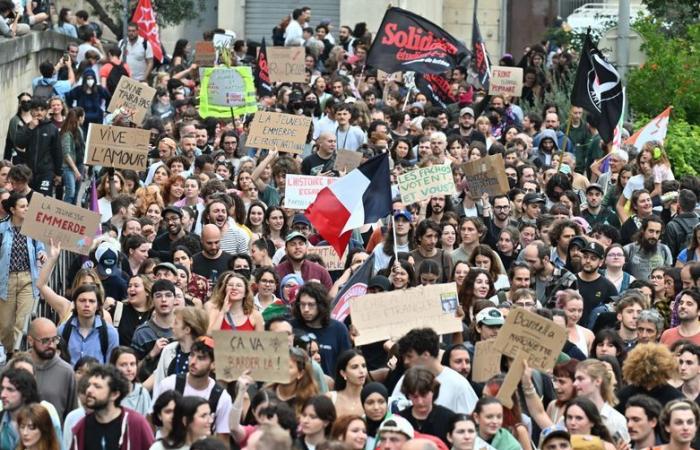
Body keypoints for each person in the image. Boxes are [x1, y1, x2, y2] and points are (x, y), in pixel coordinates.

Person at [152, 337, 233, 438]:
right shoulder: (169, 384)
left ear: (214, 364)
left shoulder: (222, 398)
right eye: (192, 355)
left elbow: (223, 439)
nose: (193, 361)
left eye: (201, 358)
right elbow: (151, 417)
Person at [391, 327, 478, 415]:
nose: (406, 361)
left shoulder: (459, 384)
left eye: (409, 356)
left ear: (426, 355)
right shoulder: (405, 379)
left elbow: (471, 420)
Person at [0, 192, 46, 352]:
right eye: (22, 206)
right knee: (5, 326)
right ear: (12, 210)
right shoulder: (1, 229)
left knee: (22, 323)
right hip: (6, 281)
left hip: (28, 278)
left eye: (28, 206)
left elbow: (40, 247)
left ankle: (18, 357)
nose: (27, 209)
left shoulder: (33, 228)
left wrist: (42, 254)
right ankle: (9, 351)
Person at [71, 364, 154, 450]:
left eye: (97, 386)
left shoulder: (135, 423)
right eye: (89, 385)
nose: (89, 390)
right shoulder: (81, 427)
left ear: (114, 394)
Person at [291, 282, 351, 375]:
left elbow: (347, 364)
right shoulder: (291, 327)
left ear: (321, 305)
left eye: (311, 305)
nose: (306, 309)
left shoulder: (339, 329)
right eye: (302, 304)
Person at [57, 284, 119, 366]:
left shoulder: (109, 333)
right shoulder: (63, 330)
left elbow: (111, 368)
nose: (87, 304)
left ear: (98, 306)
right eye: (82, 300)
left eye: (92, 301)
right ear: (75, 304)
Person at [28, 318, 77, 421]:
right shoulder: (17, 366)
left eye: (54, 339)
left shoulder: (66, 372)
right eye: (45, 340)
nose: (51, 345)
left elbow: (72, 415)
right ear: (31, 341)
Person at [398, 366, 457, 446]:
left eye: (424, 395)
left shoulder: (449, 418)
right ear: (408, 395)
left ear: (434, 391)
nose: (420, 402)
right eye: (415, 396)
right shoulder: (399, 420)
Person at [576, 241, 618, 326]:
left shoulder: (608, 287)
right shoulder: (570, 281)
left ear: (601, 262)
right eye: (585, 257)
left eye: (593, 258)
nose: (588, 261)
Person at [624, 217, 673, 281]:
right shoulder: (629, 249)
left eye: (657, 232)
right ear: (643, 231)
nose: (654, 236)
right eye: (651, 231)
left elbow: (669, 275)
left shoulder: (664, 250)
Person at [326, 349, 368, 417]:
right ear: (343, 373)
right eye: (355, 367)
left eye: (363, 366)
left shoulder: (373, 398)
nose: (361, 371)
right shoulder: (330, 398)